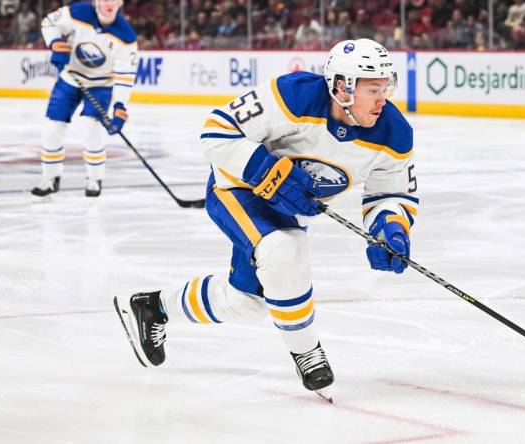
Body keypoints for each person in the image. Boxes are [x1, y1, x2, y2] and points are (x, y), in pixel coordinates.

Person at [113, 39, 418, 397]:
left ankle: (152, 307)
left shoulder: (395, 134)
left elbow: (390, 194)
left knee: (249, 300)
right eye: (373, 90)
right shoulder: (294, 96)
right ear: (341, 87)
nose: (383, 99)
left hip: (285, 209)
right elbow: (217, 130)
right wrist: (269, 172)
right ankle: (307, 352)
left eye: (386, 87)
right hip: (237, 187)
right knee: (283, 249)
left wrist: (390, 228)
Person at [31, 0, 138, 199]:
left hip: (101, 85)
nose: (110, 3)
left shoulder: (126, 36)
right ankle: (50, 178)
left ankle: (94, 178)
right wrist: (55, 43)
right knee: (53, 127)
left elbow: (125, 75)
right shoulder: (78, 12)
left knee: (91, 127)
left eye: (114, 0)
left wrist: (120, 106)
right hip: (70, 77)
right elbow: (48, 23)